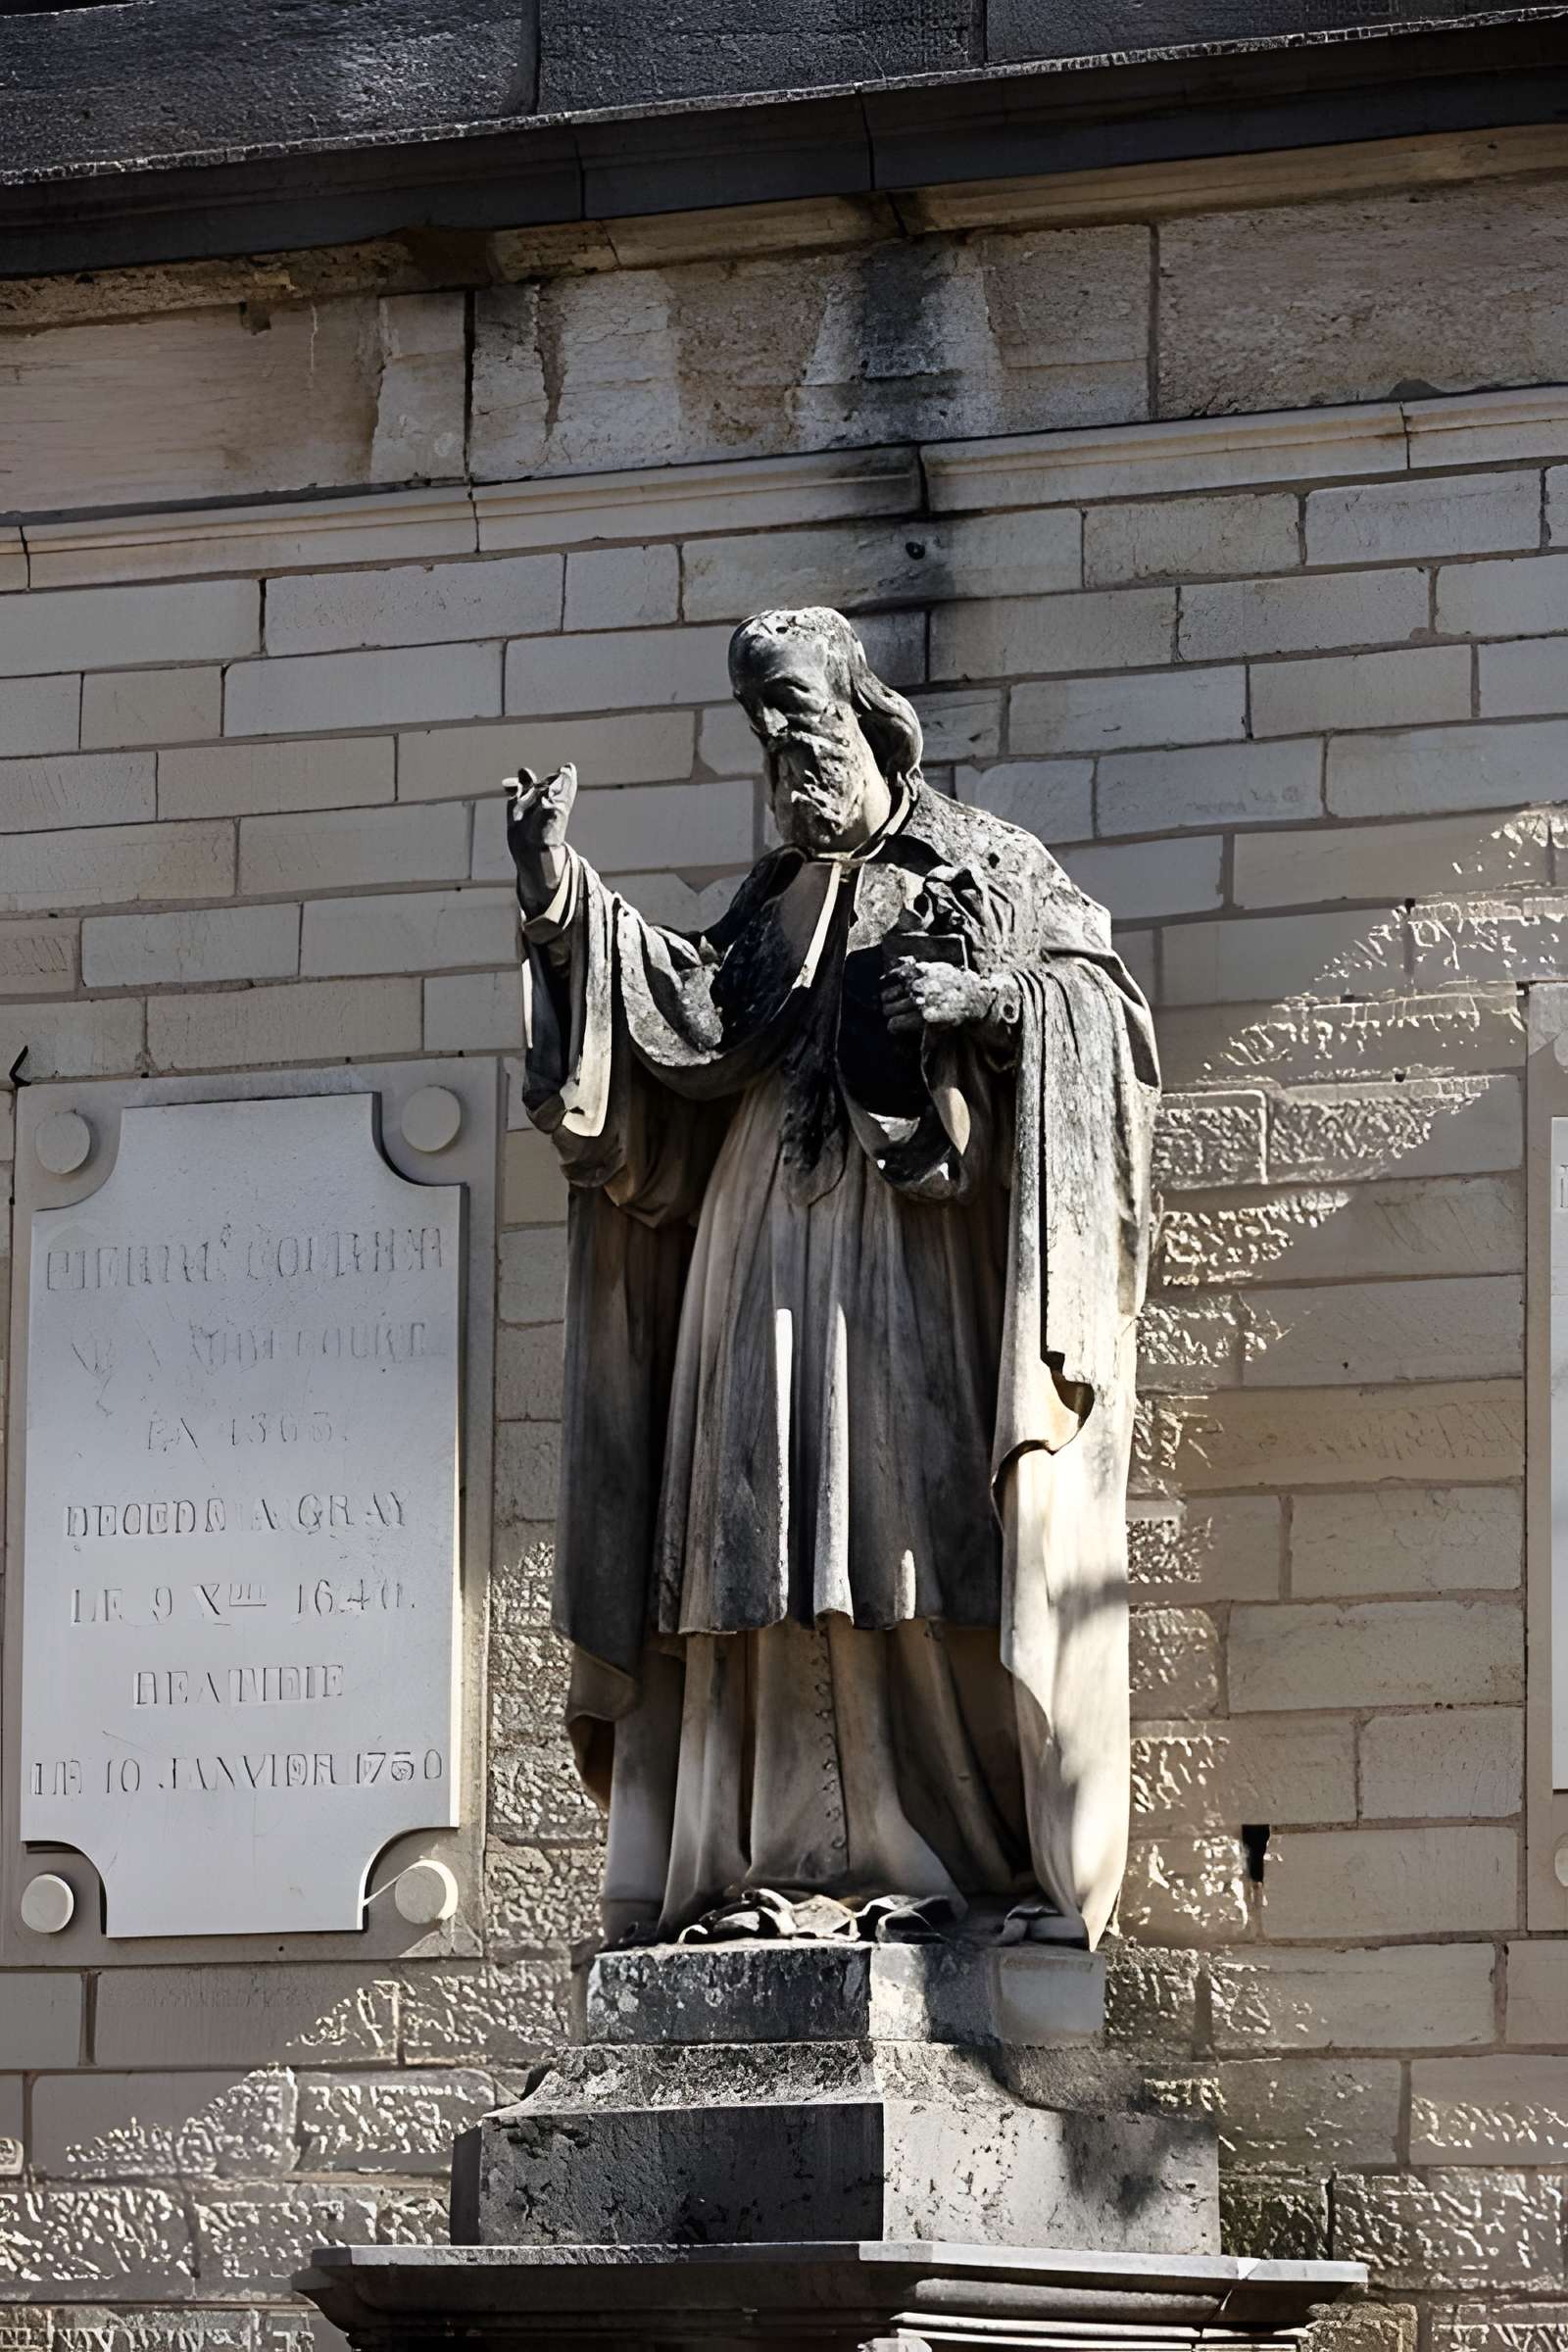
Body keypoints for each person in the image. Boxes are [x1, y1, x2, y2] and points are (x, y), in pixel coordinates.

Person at [510, 605, 1158, 1949]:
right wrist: (562, 905)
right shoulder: (770, 903)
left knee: (901, 1533)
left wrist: (993, 1007)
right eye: (763, 728)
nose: (784, 748)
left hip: (907, 1276)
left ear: (867, 716)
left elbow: (1107, 1015)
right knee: (751, 1547)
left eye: (801, 715)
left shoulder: (983, 863)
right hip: (751, 1262)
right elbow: (674, 1027)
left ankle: (947, 1855)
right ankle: (766, 1858)